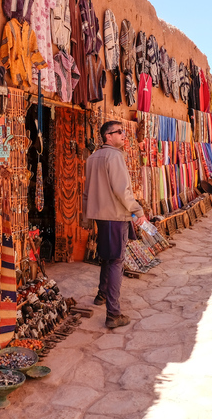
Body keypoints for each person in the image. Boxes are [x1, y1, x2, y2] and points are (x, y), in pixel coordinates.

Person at [82, 120, 146, 329]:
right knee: (116, 261)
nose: (123, 135)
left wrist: (86, 218)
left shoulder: (92, 158)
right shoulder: (114, 156)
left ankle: (102, 294)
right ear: (108, 136)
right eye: (119, 132)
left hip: (101, 216)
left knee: (107, 258)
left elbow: (87, 192)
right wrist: (138, 210)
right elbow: (122, 191)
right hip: (116, 216)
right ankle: (113, 313)